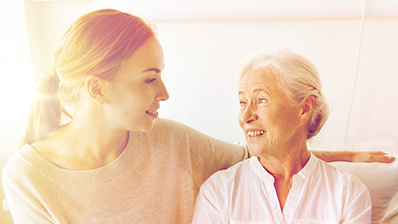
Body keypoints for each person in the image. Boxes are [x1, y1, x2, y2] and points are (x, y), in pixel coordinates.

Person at [1, 9, 393, 224]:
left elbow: (267, 154)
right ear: (97, 89)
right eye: (150, 78)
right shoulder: (28, 177)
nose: (165, 93)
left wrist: (353, 157)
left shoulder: (172, 141)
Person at [192, 50, 374, 223]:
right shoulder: (218, 193)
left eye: (261, 100)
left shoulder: (348, 194)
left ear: (304, 109)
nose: (245, 117)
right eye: (243, 102)